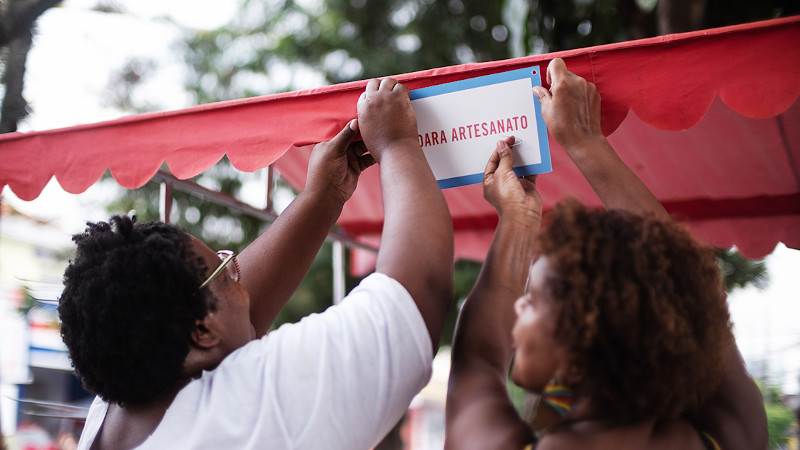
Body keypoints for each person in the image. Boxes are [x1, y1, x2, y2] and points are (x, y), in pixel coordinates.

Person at [58, 77, 454, 449]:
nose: (241, 280)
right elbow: (418, 288)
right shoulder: (250, 410)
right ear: (200, 330)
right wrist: (398, 143)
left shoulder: (113, 416)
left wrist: (324, 195)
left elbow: (227, 321)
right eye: (227, 273)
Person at [445, 58, 768, 449]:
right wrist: (585, 143)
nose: (516, 307)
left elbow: (476, 355)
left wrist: (517, 218)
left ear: (577, 355)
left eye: (531, 302)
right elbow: (690, 298)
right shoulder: (732, 433)